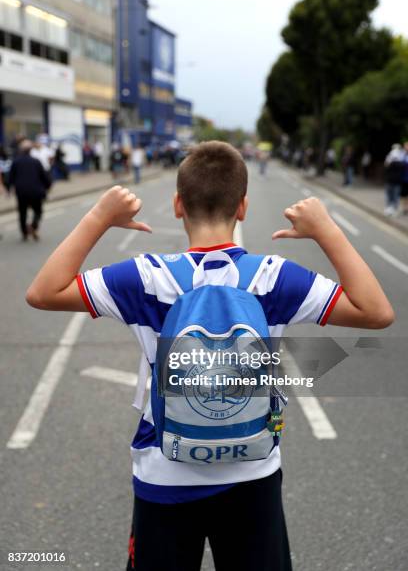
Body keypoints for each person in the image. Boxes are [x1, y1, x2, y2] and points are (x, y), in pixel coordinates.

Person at [25, 141, 394, 571]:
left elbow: (43, 292)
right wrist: (326, 229)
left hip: (163, 471)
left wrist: (100, 218)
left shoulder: (147, 277)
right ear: (243, 207)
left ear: (178, 205)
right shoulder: (273, 278)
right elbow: (376, 312)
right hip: (253, 471)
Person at [8, 140, 51, 241]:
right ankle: (34, 226)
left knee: (22, 212)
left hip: (21, 192)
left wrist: (9, 188)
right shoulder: (36, 161)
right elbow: (44, 177)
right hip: (36, 191)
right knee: (38, 211)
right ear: (30, 150)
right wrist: (48, 186)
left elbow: (10, 177)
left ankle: (24, 233)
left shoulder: (16, 161)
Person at [384, 143, 405, 216]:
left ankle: (393, 210)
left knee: (394, 196)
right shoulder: (399, 161)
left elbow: (386, 166)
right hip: (392, 181)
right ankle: (390, 209)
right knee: (391, 196)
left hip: (394, 181)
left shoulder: (399, 161)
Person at [400, 142, 408, 215]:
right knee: (403, 195)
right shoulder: (402, 155)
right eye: (405, 146)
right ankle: (404, 208)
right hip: (403, 178)